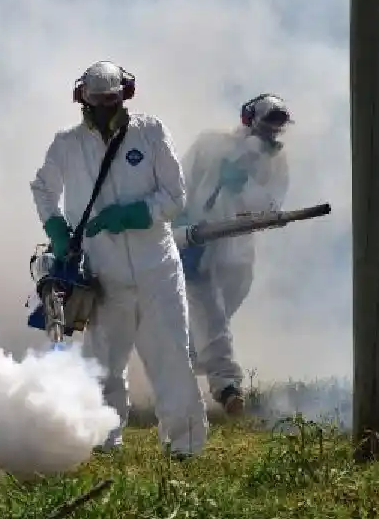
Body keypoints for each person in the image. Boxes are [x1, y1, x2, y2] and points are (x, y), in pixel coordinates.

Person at [30, 61, 208, 459]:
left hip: (157, 267)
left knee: (173, 359)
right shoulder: (67, 144)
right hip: (102, 271)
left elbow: (176, 197)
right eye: (96, 102)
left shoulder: (150, 132)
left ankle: (186, 446)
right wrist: (56, 228)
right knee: (103, 362)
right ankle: (102, 440)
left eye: (111, 101)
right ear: (82, 101)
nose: (104, 110)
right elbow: (42, 187)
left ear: (125, 95)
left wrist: (136, 214)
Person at [176, 94, 292, 416]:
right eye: (267, 125)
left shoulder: (275, 162)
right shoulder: (210, 144)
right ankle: (227, 387)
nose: (270, 134)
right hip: (198, 244)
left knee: (215, 319)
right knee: (211, 316)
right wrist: (179, 221)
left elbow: (271, 208)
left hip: (238, 252)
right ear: (248, 119)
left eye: (276, 129)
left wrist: (243, 187)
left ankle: (176, 367)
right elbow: (178, 184)